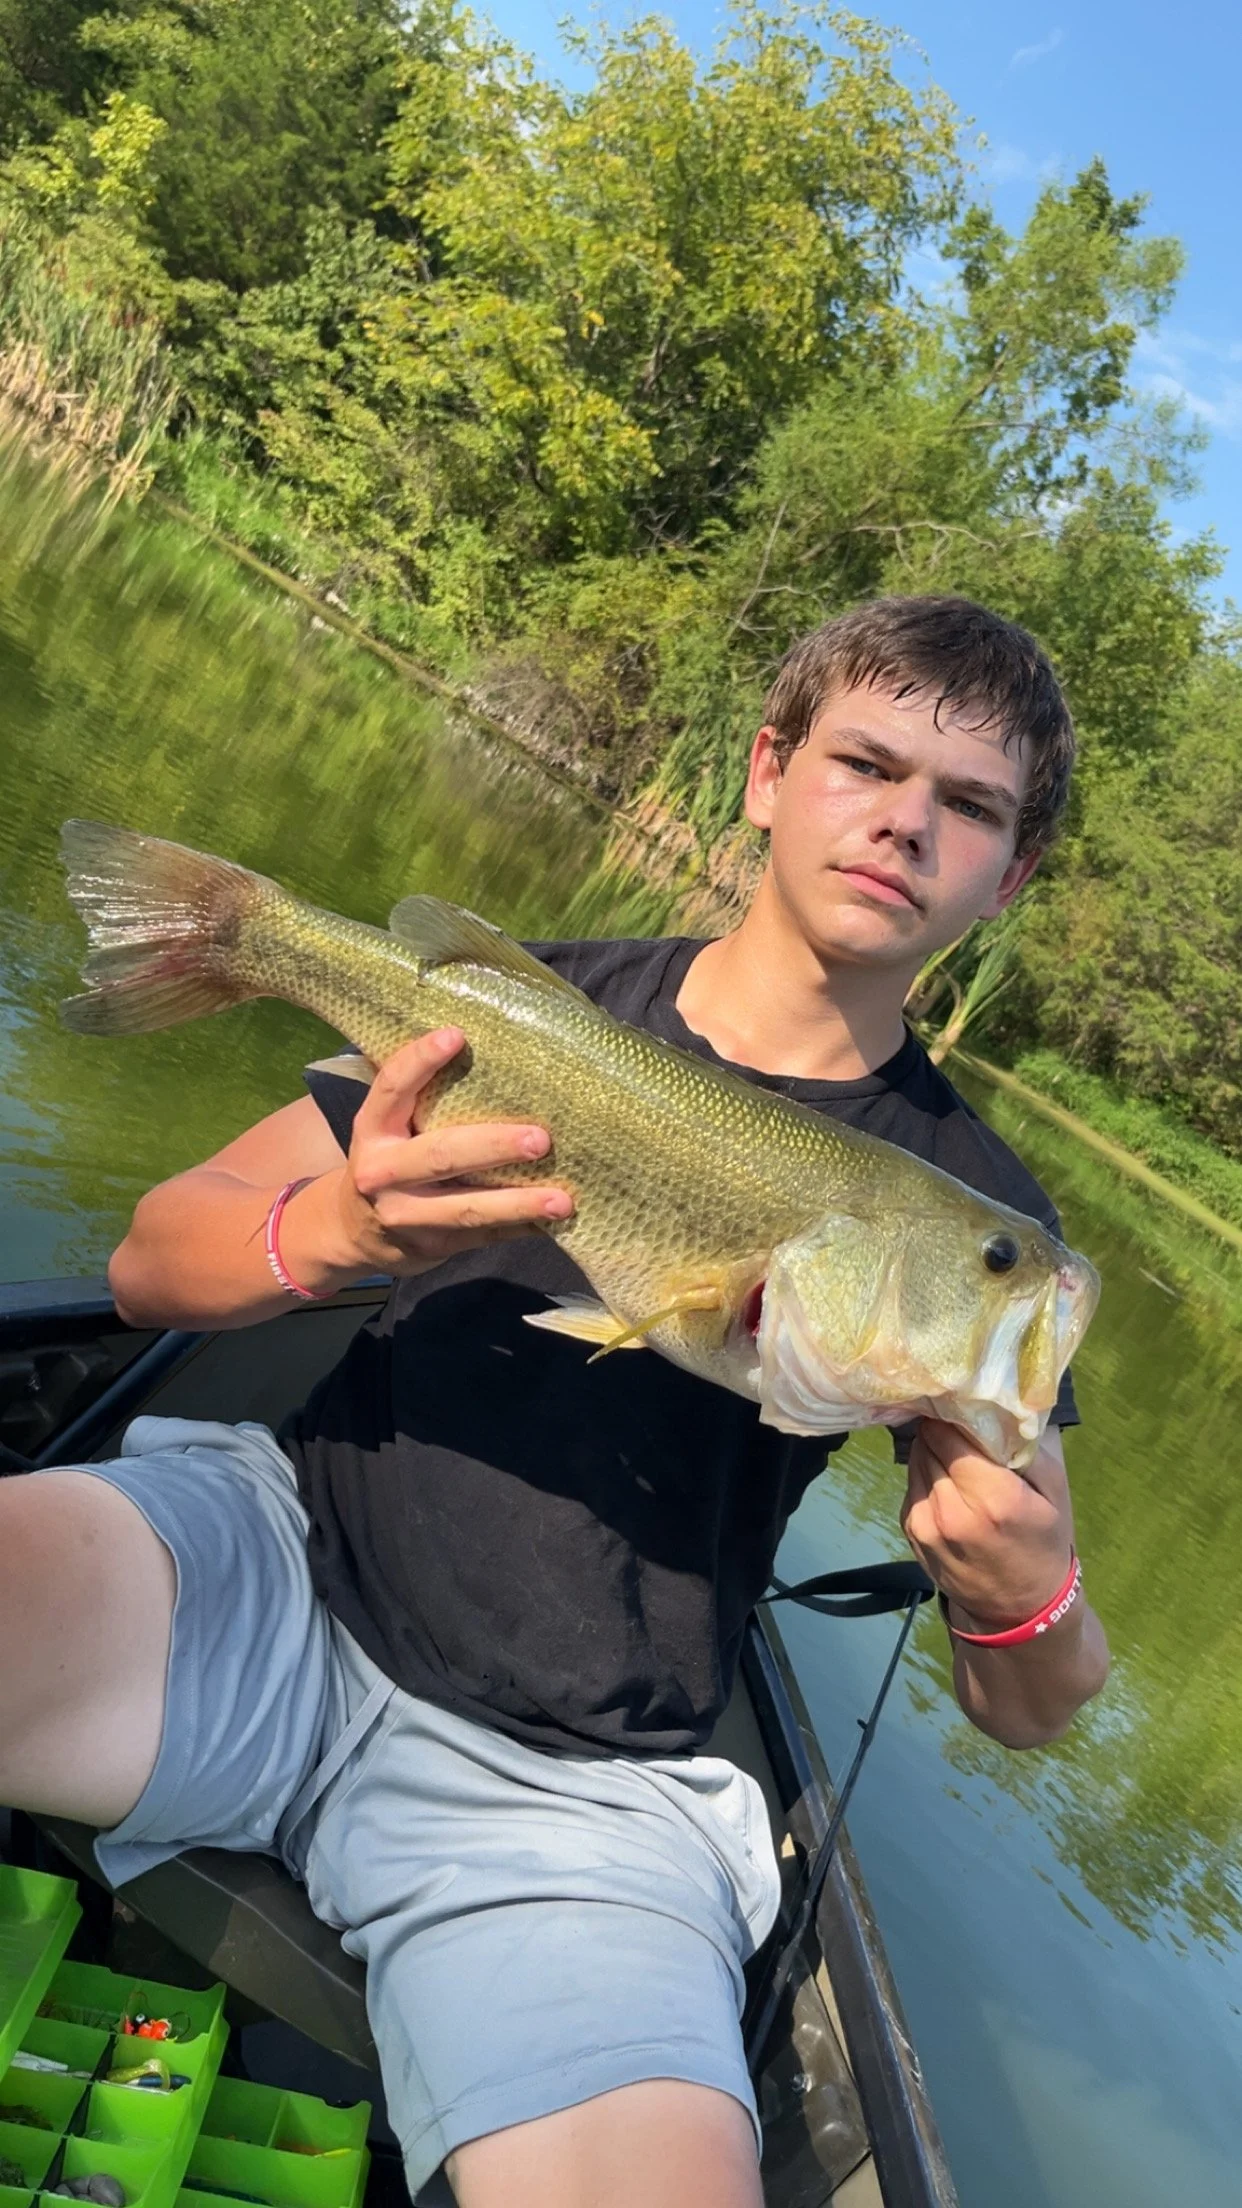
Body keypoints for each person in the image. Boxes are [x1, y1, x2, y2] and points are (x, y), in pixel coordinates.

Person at [0, 595, 1109, 2208]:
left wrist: (1018, 1598)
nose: (904, 821)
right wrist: (337, 1230)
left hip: (578, 1800)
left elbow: (1037, 1700)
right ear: (766, 772)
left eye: (968, 806)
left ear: (1003, 879)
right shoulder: (532, 1008)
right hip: (271, 1573)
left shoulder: (966, 1218)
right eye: (866, 763)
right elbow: (153, 1264)